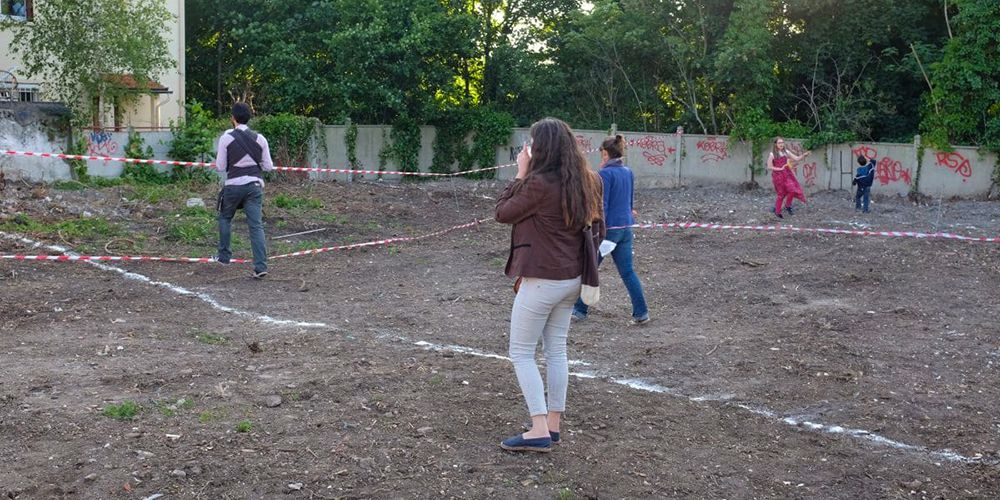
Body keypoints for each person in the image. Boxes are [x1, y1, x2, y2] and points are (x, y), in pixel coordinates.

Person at [495, 117, 605, 453]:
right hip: (573, 279)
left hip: (543, 280)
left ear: (539, 148)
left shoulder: (538, 184)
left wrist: (520, 173)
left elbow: (502, 212)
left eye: (531, 142)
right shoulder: (589, 180)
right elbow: (601, 229)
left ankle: (539, 428)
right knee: (556, 349)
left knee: (521, 352)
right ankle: (553, 425)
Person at [571, 135, 649, 325]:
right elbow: (630, 201)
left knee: (590, 269)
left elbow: (601, 205)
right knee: (628, 272)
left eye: (602, 154)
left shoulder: (604, 174)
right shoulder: (628, 172)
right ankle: (642, 312)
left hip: (608, 231)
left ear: (606, 154)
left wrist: (590, 226)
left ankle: (579, 310)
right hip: (626, 228)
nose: (601, 158)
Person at [213, 102, 275, 278]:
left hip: (233, 186)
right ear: (249, 117)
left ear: (233, 118)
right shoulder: (260, 139)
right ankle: (260, 266)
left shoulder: (226, 138)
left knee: (225, 218)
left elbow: (220, 166)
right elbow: (268, 167)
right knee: (256, 226)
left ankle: (224, 257)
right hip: (254, 186)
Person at [766, 137, 810, 218]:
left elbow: (796, 158)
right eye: (779, 143)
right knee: (781, 194)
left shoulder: (786, 152)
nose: (781, 144)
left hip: (787, 174)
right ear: (775, 144)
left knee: (792, 190)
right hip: (778, 176)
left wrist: (804, 155)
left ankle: (787, 205)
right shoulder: (772, 154)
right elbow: (769, 166)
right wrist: (779, 168)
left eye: (782, 142)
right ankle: (777, 212)